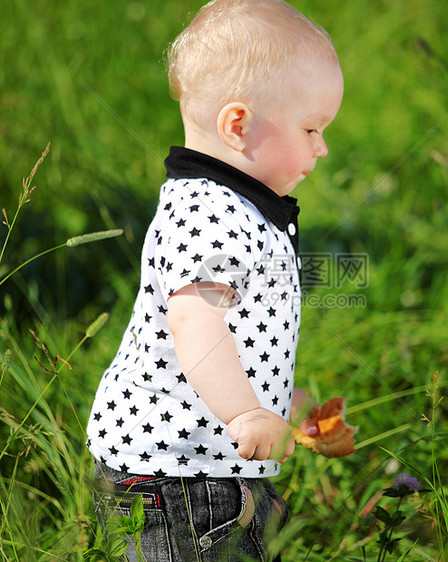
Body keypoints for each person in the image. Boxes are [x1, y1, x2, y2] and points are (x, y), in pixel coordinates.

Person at [86, 0, 344, 559]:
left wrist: (281, 402)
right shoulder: (213, 214)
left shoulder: (234, 207)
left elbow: (239, 329)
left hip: (198, 464)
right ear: (238, 125)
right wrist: (246, 414)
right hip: (181, 476)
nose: (322, 147)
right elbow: (196, 320)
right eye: (311, 128)